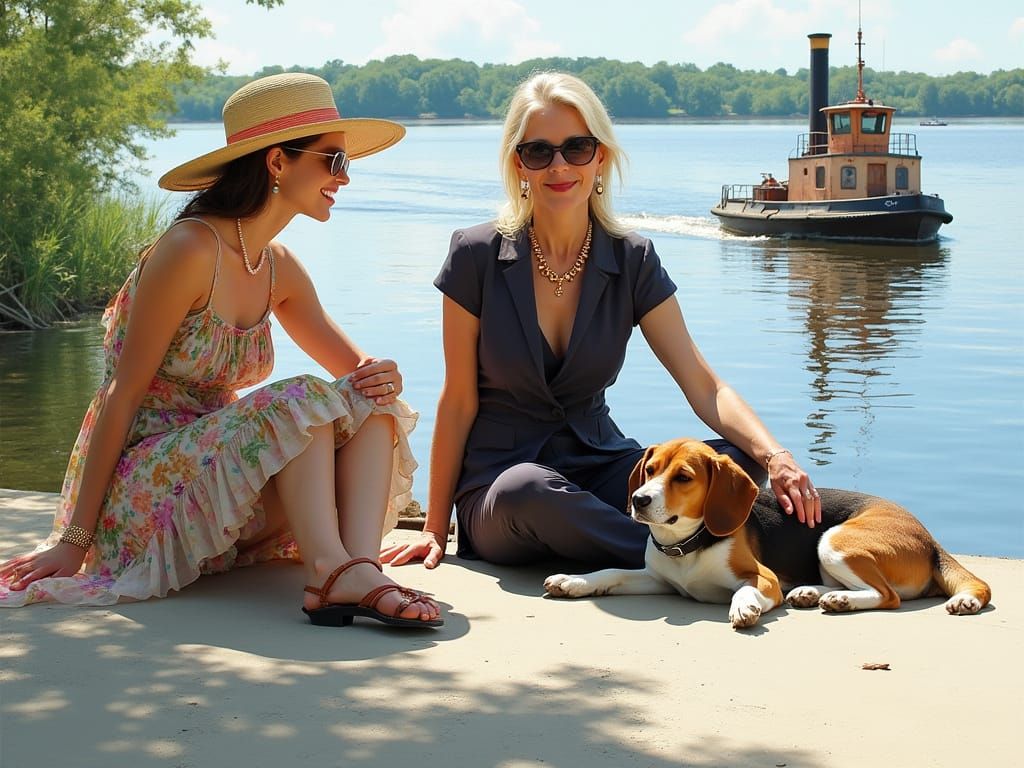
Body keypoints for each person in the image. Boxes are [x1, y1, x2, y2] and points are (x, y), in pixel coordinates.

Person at [0, 73, 442, 628]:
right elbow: (121, 395)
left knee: (370, 404)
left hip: (214, 481)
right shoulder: (189, 250)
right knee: (298, 397)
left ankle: (358, 569)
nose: (345, 178)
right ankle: (334, 571)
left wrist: (383, 376)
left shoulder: (278, 265)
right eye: (333, 161)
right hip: (143, 488)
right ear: (277, 162)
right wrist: (74, 539)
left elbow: (356, 376)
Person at [382, 72, 820, 572]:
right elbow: (458, 399)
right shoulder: (474, 256)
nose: (559, 165)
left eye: (577, 147)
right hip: (504, 490)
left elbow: (702, 383)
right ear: (518, 165)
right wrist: (437, 529)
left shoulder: (633, 259)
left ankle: (667, 550)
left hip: (602, 467)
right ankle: (684, 560)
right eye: (539, 152)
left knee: (728, 465)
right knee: (532, 489)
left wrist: (775, 458)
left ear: (601, 158)